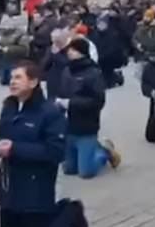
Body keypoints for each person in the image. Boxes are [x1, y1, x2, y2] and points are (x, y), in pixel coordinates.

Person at [0, 61, 89, 227]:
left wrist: (15, 149)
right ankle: (45, 219)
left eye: (18, 77)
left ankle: (71, 212)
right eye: (11, 78)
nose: (12, 82)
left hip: (35, 189)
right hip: (9, 187)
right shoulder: (9, 107)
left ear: (34, 82)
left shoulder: (49, 113)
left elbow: (55, 152)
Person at [58, 38, 121, 179]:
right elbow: (61, 92)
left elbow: (97, 102)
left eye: (73, 50)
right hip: (68, 126)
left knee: (86, 173)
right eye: (69, 49)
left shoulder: (94, 73)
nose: (70, 52)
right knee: (68, 169)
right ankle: (92, 150)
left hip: (86, 126)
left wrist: (71, 103)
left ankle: (104, 152)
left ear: (82, 52)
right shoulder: (67, 71)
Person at [90, 16, 126, 88]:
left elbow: (114, 48)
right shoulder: (94, 35)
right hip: (99, 57)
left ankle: (117, 77)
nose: (101, 26)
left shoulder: (112, 34)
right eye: (99, 24)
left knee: (108, 75)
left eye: (103, 24)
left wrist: (104, 55)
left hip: (110, 58)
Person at [42, 29, 70, 104]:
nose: (54, 43)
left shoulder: (69, 50)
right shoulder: (51, 49)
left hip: (66, 81)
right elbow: (44, 65)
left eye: (56, 41)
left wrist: (56, 54)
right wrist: (51, 54)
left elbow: (66, 63)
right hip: (52, 81)